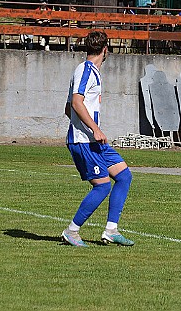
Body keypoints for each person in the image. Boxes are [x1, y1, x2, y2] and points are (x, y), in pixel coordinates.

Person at [61, 31, 134, 247]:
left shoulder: (90, 72)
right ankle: (71, 231)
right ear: (105, 49)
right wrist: (94, 129)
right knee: (102, 186)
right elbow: (76, 103)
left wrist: (90, 129)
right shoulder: (85, 71)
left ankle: (111, 230)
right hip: (84, 141)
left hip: (94, 141)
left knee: (124, 176)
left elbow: (68, 108)